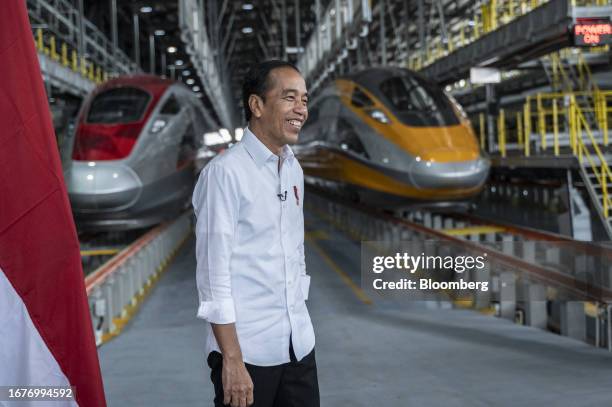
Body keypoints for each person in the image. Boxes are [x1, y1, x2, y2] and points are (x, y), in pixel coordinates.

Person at [192, 60, 319, 407]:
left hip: (298, 345)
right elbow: (212, 276)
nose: (301, 109)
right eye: (289, 97)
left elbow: (296, 249)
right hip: (248, 354)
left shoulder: (293, 169)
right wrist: (231, 360)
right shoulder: (224, 174)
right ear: (257, 105)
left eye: (305, 100)